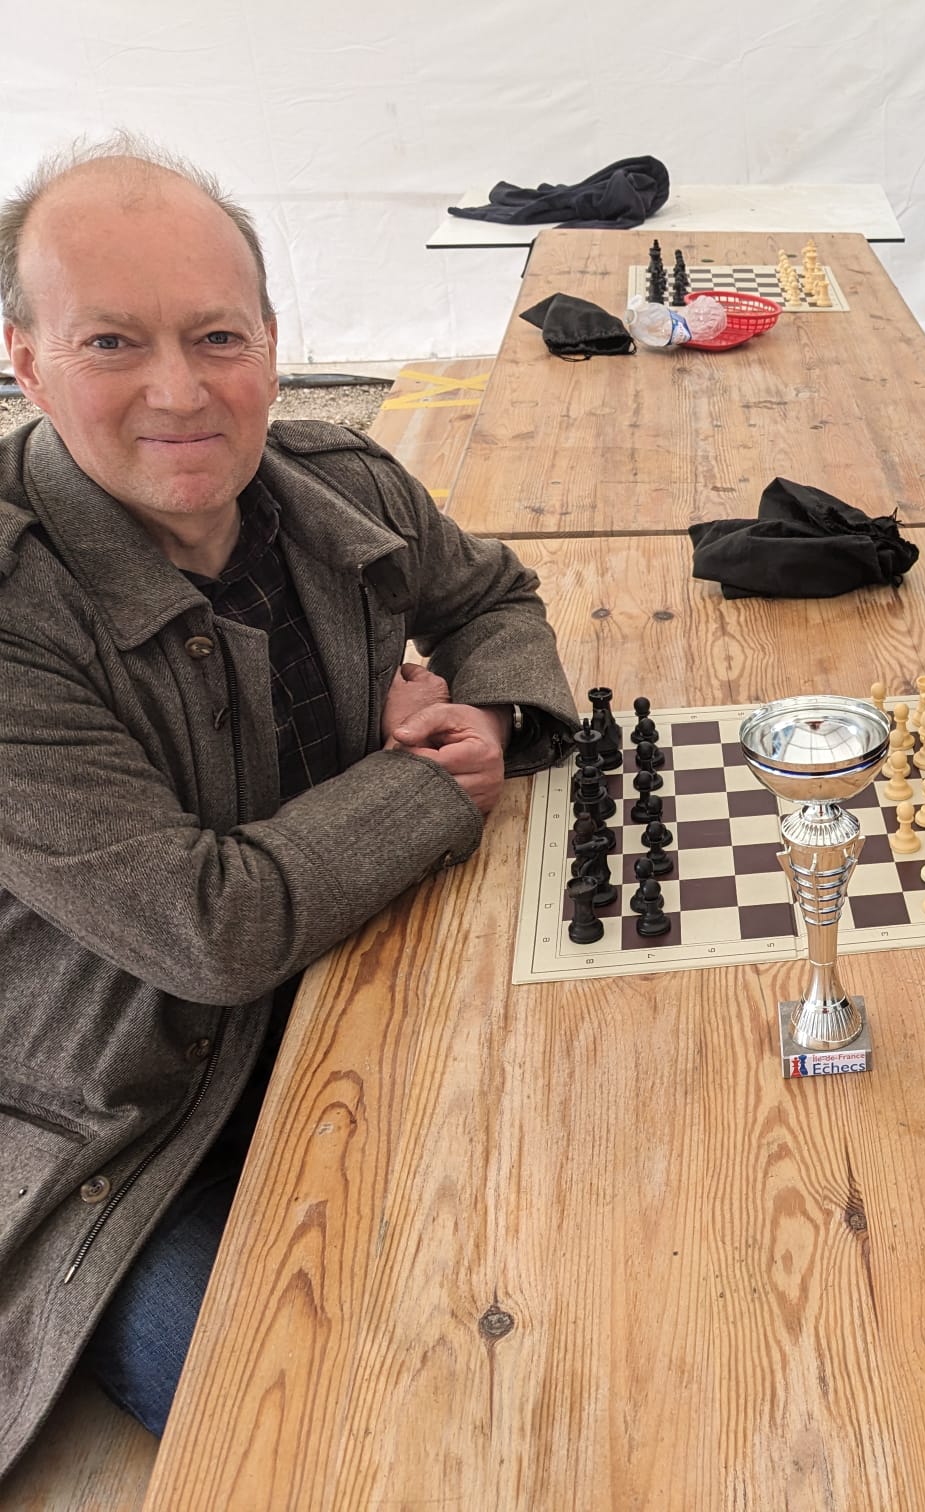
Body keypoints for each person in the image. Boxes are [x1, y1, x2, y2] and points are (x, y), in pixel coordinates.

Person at [0, 138, 575, 1472]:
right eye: (112, 343)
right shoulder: (17, 609)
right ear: (26, 361)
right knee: (352, 1421)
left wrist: (485, 716)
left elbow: (491, 598)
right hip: (124, 1138)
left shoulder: (340, 486)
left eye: (216, 336)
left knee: (594, 1248)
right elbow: (210, 928)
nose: (180, 391)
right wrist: (422, 785)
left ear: (270, 340)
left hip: (367, 988)